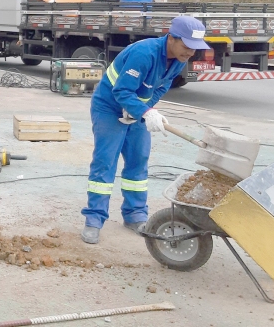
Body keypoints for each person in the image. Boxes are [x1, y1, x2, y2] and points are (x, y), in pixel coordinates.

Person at [80, 16, 209, 245]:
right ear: (172, 38)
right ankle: (94, 220)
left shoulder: (178, 58)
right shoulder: (144, 53)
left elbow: (162, 86)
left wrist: (146, 110)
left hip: (136, 109)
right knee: (105, 162)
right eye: (187, 46)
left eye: (194, 49)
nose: (191, 53)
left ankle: (135, 215)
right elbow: (121, 91)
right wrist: (143, 111)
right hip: (109, 107)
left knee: (138, 160)